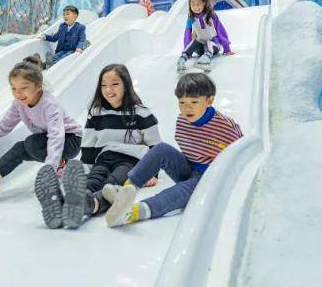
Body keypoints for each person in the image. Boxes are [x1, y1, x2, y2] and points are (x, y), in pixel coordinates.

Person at [104, 72, 243, 227]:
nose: (187, 108)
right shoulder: (183, 120)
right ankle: (125, 191)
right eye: (182, 102)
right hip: (190, 169)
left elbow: (241, 155)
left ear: (209, 100)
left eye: (194, 102)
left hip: (210, 179)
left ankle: (132, 212)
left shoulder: (224, 127)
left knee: (181, 190)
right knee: (161, 149)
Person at [34, 64, 162, 229]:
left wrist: (152, 173)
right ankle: (62, 205)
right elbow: (89, 144)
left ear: (126, 85)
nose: (108, 90)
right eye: (104, 85)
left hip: (130, 161)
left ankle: (86, 204)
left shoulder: (141, 113)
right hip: (103, 158)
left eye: (115, 84)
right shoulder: (97, 113)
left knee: (112, 185)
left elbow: (156, 147)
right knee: (92, 181)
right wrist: (84, 167)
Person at [0, 56, 82, 206]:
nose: (18, 93)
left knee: (31, 143)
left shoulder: (50, 105)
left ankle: (59, 165)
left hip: (70, 140)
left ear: (38, 86)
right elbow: (3, 126)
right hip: (46, 141)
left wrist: (48, 173)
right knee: (20, 147)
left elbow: (56, 137)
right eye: (14, 88)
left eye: (24, 88)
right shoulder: (19, 104)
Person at [177, 0, 234, 74]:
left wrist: (226, 48)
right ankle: (182, 60)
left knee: (209, 43)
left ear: (204, 3)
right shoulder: (191, 18)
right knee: (194, 41)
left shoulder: (211, 15)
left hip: (213, 45)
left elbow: (220, 30)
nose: (196, 7)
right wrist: (188, 50)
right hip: (200, 48)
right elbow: (187, 33)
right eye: (193, 4)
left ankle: (204, 61)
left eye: (198, 4)